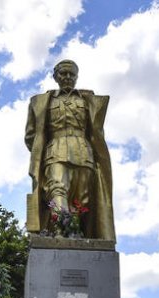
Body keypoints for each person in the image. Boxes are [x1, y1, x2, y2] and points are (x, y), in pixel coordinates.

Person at [24, 60, 115, 241]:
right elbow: (30, 136)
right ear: (56, 77)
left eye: (71, 74)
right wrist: (40, 153)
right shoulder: (41, 102)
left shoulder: (87, 100)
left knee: (82, 199)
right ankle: (61, 230)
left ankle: (75, 231)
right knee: (57, 189)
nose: (67, 77)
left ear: (76, 77)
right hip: (55, 151)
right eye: (63, 74)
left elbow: (96, 132)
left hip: (83, 153)